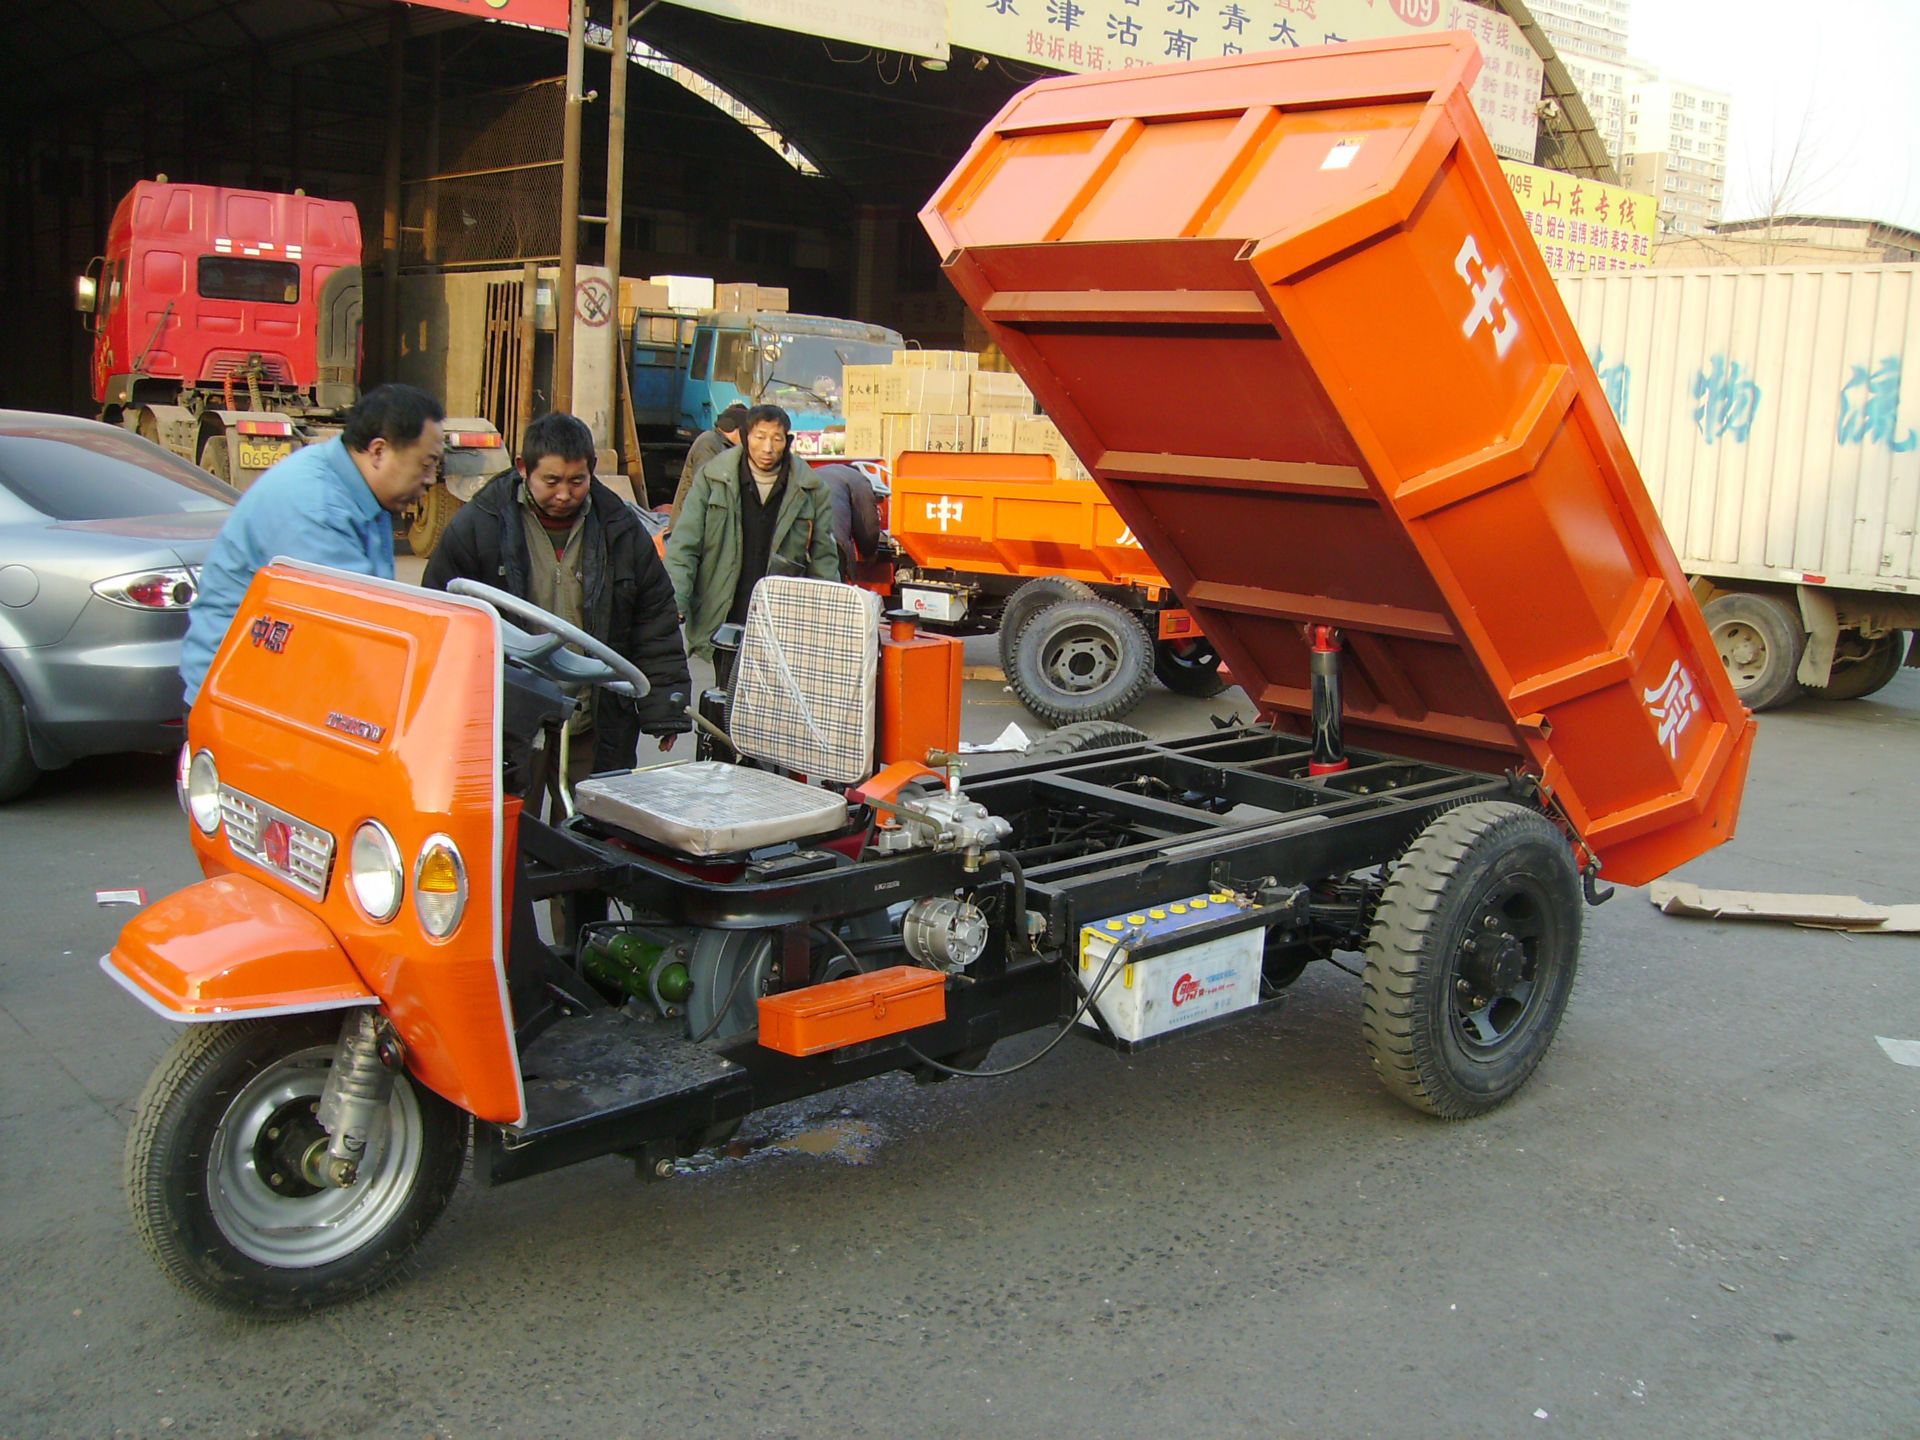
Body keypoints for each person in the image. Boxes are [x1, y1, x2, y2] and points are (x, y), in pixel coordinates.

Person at [423, 411, 691, 770]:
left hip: (593, 718)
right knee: (515, 819)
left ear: (592, 468)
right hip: (510, 716)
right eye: (551, 481)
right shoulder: (478, 526)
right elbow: (439, 619)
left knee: (588, 820)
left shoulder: (621, 530)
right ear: (523, 468)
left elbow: (654, 617)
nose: (565, 494)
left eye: (577, 481)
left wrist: (666, 708)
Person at [179, 383, 444, 705]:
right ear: (379, 452)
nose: (430, 479)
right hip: (237, 699)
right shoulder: (314, 506)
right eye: (426, 464)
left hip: (288, 686)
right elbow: (355, 632)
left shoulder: (362, 492)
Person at [664, 403, 838, 658]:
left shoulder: (811, 489)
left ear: (787, 441)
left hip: (781, 622)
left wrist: (829, 619)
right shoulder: (713, 479)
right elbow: (684, 545)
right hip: (721, 616)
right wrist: (675, 601)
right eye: (760, 437)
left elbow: (823, 559)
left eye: (776, 439)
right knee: (725, 694)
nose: (767, 448)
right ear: (746, 437)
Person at [668, 403, 749, 527]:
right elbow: (706, 487)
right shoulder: (709, 442)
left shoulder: (727, 446)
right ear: (738, 429)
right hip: (691, 526)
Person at [814, 462, 881, 580]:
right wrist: (869, 551)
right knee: (833, 593)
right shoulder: (858, 479)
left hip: (801, 540)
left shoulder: (814, 473)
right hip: (832, 544)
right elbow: (867, 522)